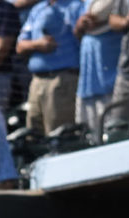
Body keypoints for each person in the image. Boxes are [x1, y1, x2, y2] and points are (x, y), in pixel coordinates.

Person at [16, 0, 84, 135]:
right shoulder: (37, 9)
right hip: (36, 82)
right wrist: (37, 44)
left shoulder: (76, 6)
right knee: (33, 135)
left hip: (62, 80)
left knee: (59, 138)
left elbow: (83, 35)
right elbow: (20, 46)